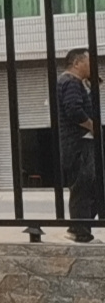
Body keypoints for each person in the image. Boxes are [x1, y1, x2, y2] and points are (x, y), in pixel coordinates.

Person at [56, 49, 98, 243]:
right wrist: (93, 127)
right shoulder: (71, 82)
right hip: (78, 144)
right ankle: (79, 231)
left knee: (89, 187)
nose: (92, 66)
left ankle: (81, 228)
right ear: (77, 63)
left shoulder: (70, 82)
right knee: (83, 186)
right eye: (89, 62)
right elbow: (73, 110)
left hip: (76, 144)